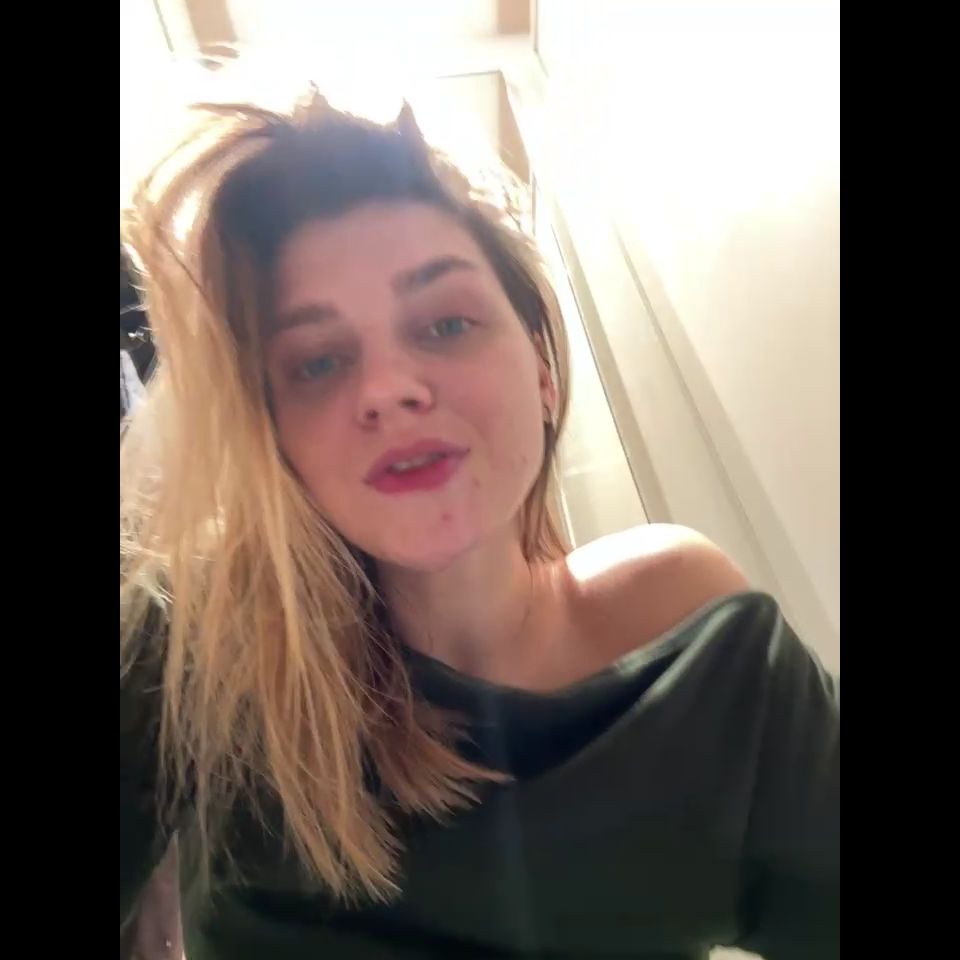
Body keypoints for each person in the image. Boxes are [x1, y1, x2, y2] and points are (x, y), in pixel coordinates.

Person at [120, 84, 839, 960]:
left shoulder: (694, 635)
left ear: (543, 371)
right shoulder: (197, 639)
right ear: (277, 439)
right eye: (317, 362)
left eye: (446, 322)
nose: (388, 389)